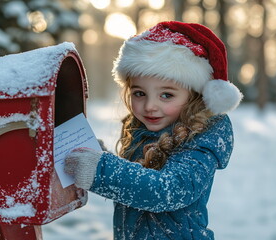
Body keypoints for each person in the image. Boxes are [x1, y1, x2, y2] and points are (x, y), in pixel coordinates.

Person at [64, 21, 243, 240]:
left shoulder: (202, 140)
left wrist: (101, 169)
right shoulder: (142, 130)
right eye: (139, 93)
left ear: (193, 95)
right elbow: (137, 178)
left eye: (166, 95)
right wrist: (100, 158)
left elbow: (167, 190)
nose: (149, 106)